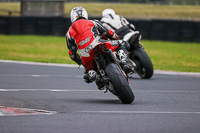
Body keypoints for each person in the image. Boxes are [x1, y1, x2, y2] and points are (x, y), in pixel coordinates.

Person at [66, 7, 131, 84]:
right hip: (99, 44)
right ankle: (124, 62)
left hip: (85, 56)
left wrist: (80, 62)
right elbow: (107, 32)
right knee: (123, 43)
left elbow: (72, 54)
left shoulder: (69, 33)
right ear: (85, 14)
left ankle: (93, 74)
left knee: (87, 75)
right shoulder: (92, 22)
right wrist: (115, 37)